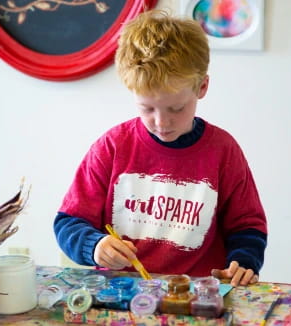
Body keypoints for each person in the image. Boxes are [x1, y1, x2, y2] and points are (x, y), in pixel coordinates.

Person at [54, 9, 267, 286]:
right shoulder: (112, 147)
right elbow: (69, 222)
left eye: (176, 108)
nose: (161, 122)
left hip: (198, 297)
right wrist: (95, 246)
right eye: (146, 108)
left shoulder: (223, 151)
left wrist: (244, 262)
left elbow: (246, 226)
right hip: (121, 295)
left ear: (202, 87)